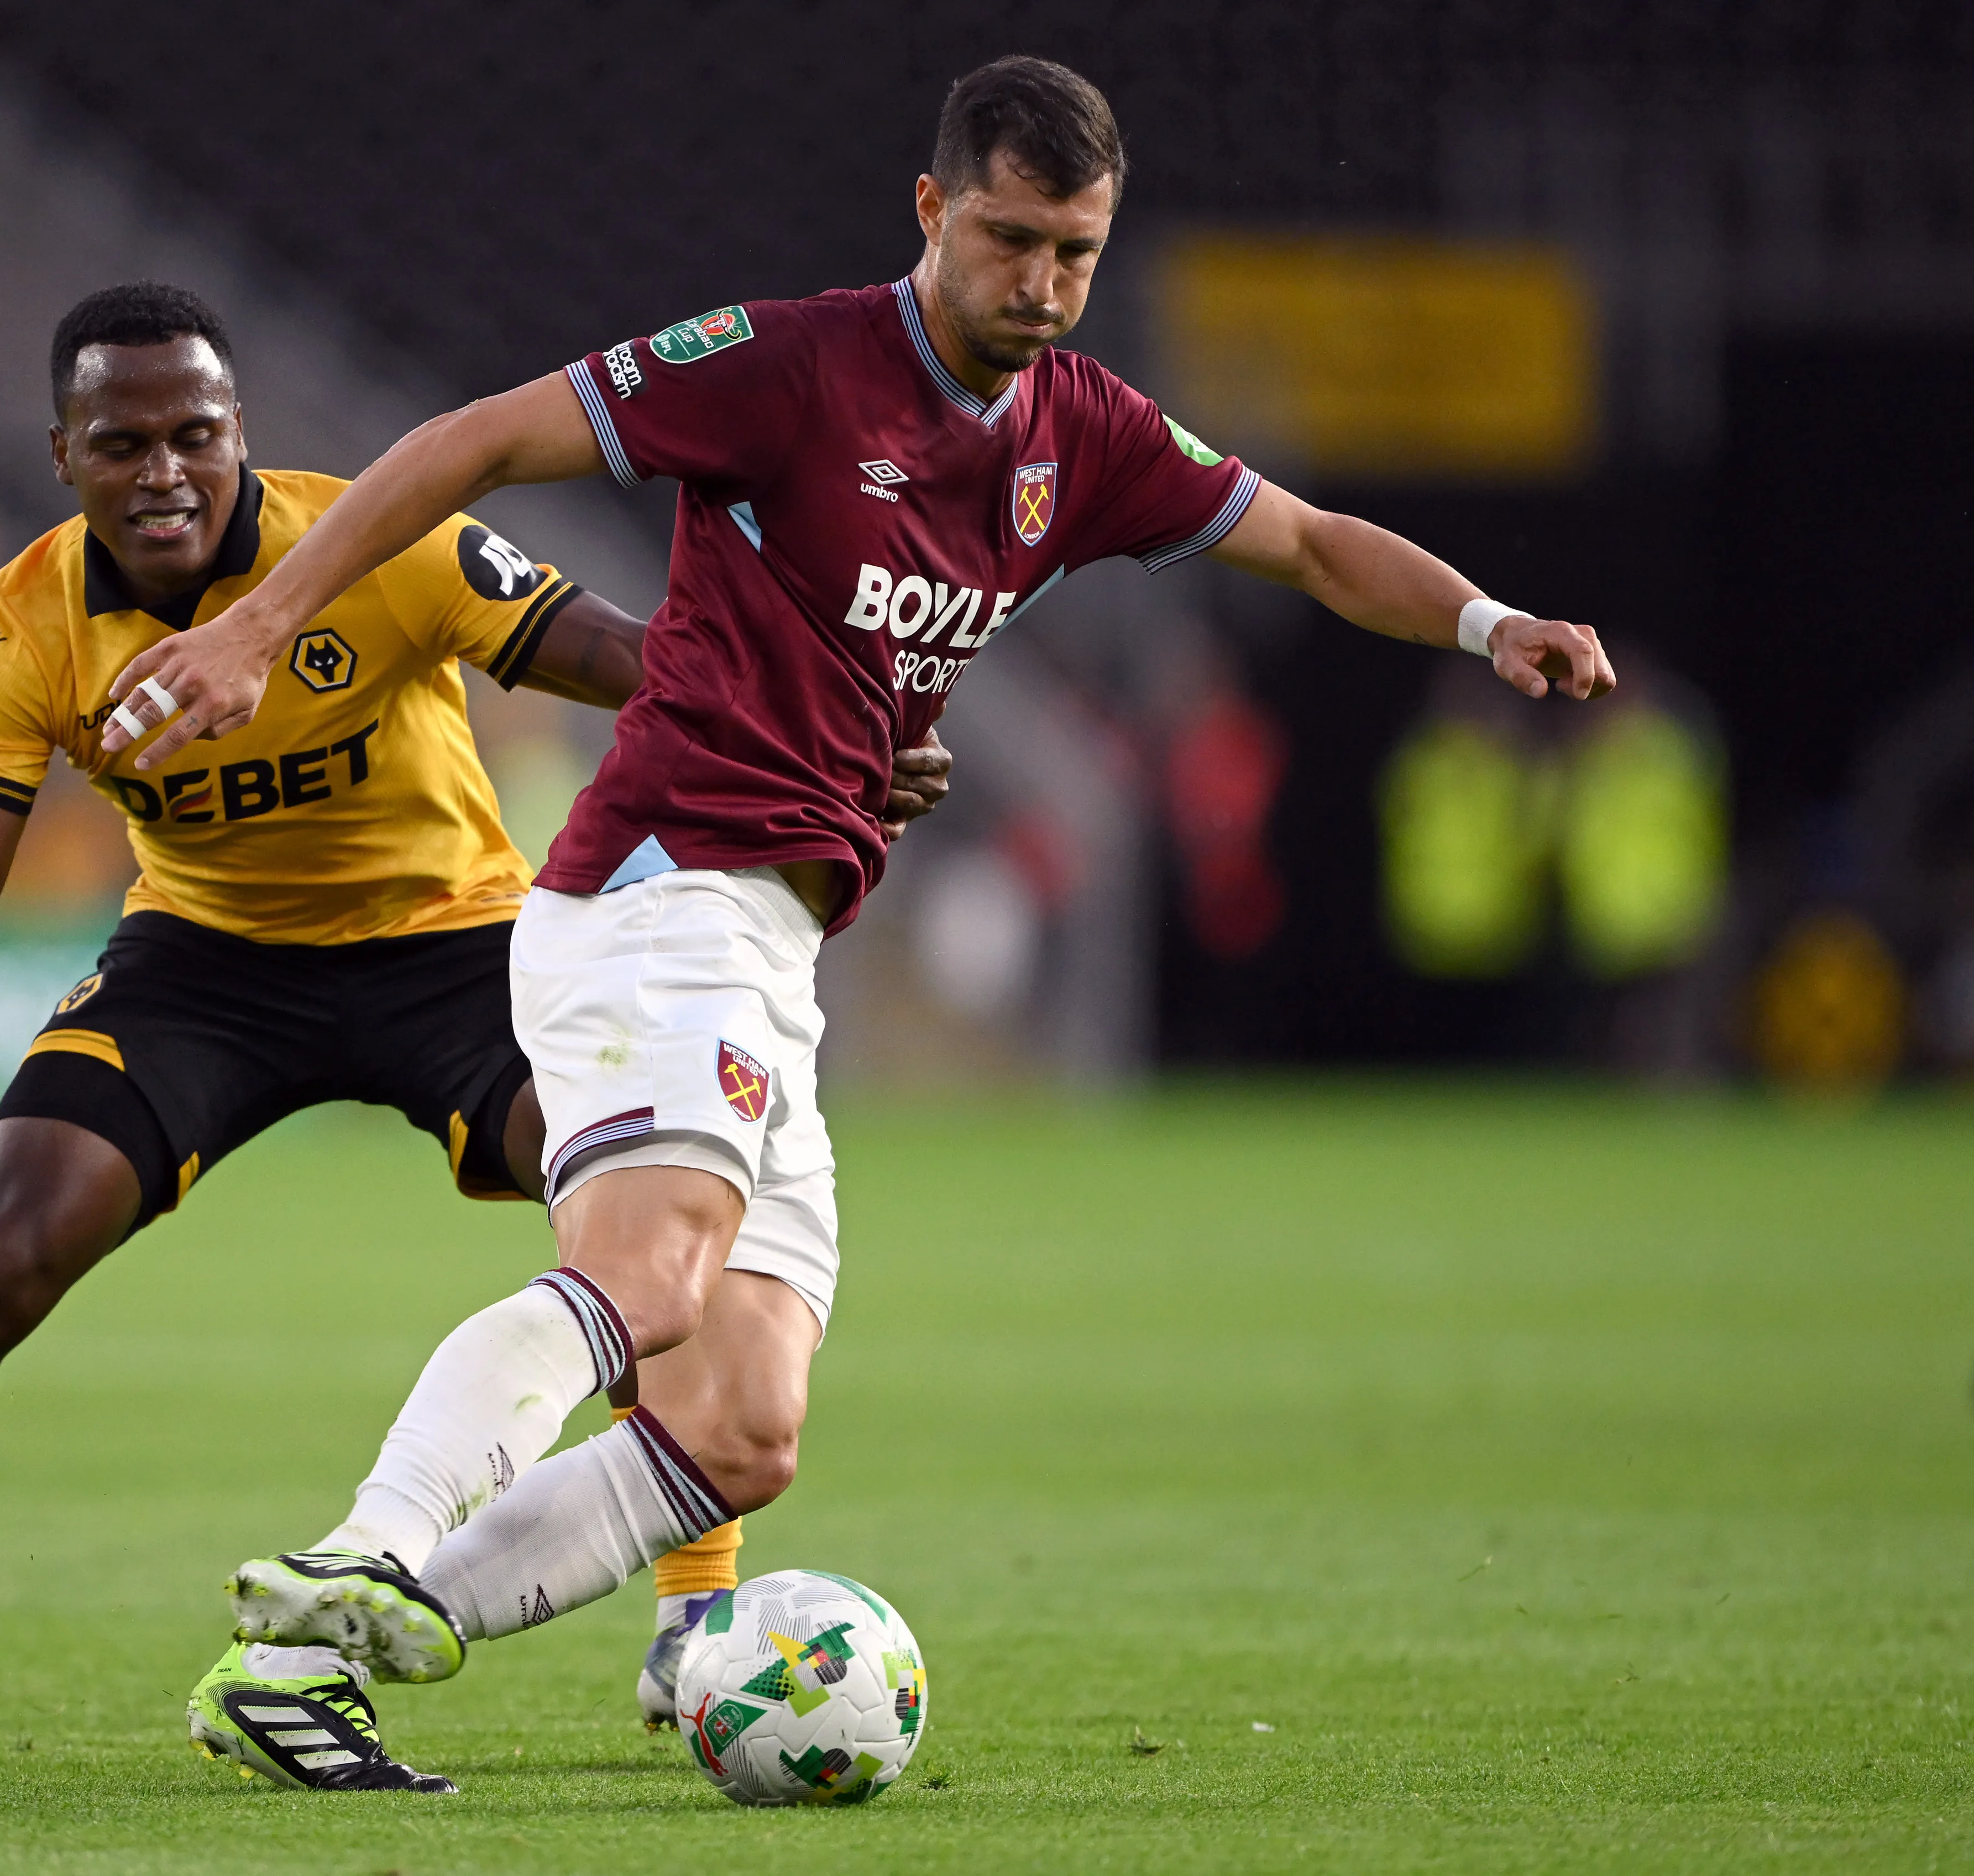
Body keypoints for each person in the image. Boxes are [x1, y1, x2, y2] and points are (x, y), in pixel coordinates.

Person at [97, 55, 1617, 1733]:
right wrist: (249, 625)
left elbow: (1317, 542)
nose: (1041, 288)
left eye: (1078, 254)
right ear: (930, 210)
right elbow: (470, 444)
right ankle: (367, 1546)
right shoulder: (783, 367)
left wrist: (1492, 624)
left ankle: (308, 1666)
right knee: (655, 1282)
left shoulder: (1085, 434)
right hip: (662, 890)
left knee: (743, 1426)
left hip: (779, 940)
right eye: (1011, 240)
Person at [0, 282, 952, 1792]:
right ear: (64, 454)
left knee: (654, 1240)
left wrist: (835, 738)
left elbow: (633, 659)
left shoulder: (377, 545)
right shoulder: (31, 620)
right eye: (122, 444)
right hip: (208, 967)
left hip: (454, 946)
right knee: (4, 1249)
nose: (166, 471)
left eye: (195, 434)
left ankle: (692, 1609)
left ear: (240, 430)